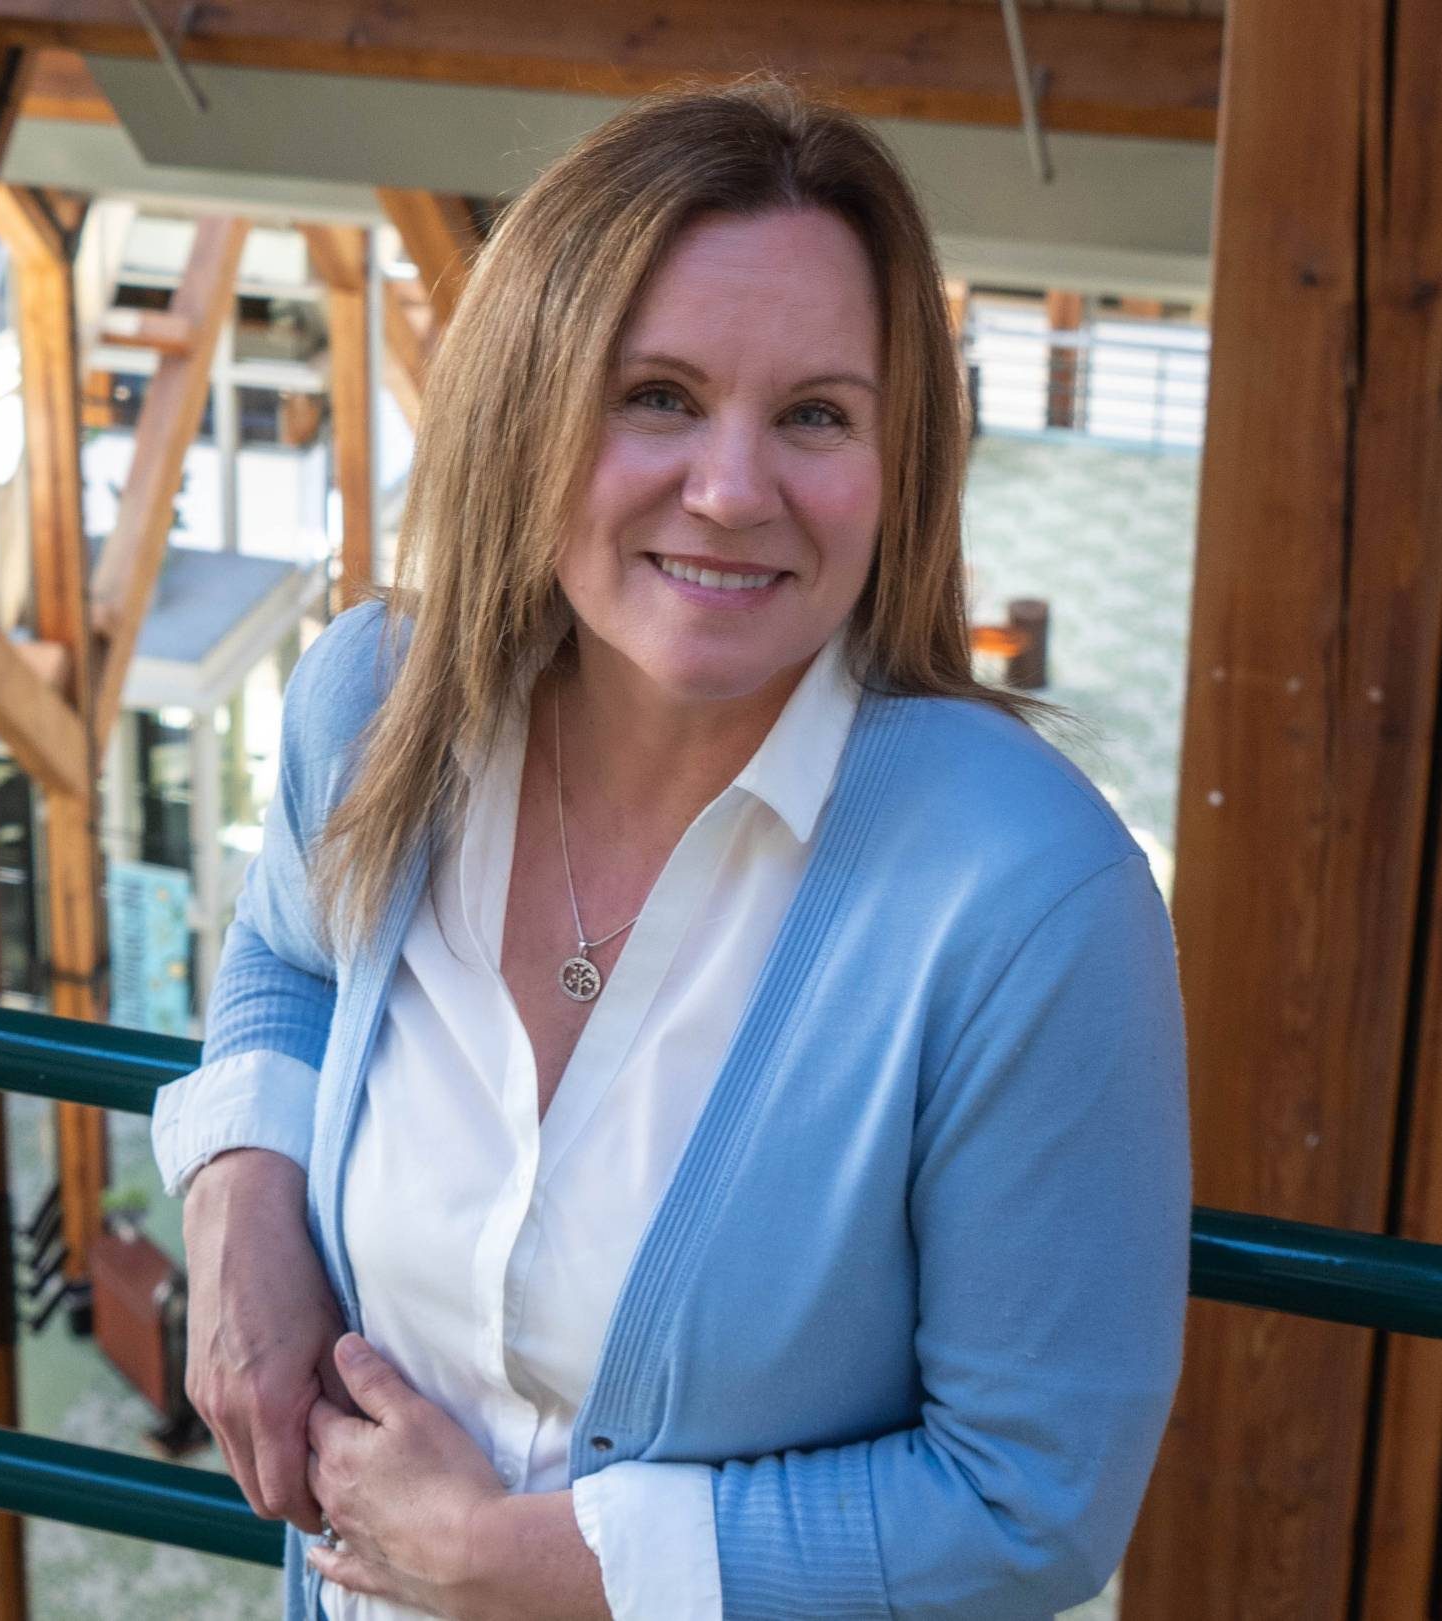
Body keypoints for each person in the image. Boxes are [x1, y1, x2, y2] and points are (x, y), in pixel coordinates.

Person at [151, 74, 1192, 1621]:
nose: (731, 489)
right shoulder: (368, 707)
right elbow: (287, 951)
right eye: (658, 395)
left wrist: (514, 1565)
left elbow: (1028, 1498)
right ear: (528, 405)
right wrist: (240, 1194)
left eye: (816, 414)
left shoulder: (1031, 895)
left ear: (897, 463)